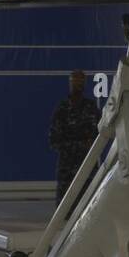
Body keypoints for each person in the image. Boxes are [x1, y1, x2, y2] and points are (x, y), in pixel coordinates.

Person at [49, 70, 99, 205]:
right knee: (65, 210)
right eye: (74, 82)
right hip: (67, 169)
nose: (77, 85)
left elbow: (100, 135)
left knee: (89, 206)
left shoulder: (91, 108)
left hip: (87, 166)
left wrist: (89, 145)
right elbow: (54, 141)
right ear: (70, 84)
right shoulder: (62, 109)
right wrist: (78, 145)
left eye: (80, 82)